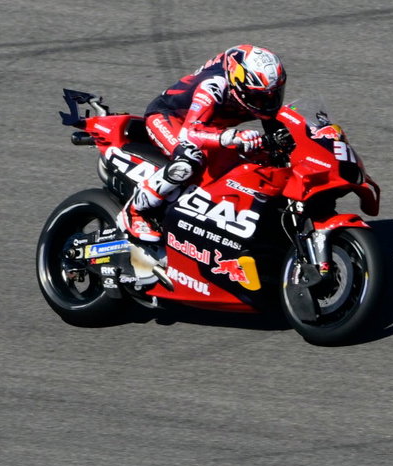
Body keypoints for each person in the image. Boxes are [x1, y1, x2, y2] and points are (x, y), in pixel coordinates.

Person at [117, 44, 287, 285]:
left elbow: (282, 134)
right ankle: (134, 212)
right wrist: (233, 138)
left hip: (208, 127)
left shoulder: (260, 92)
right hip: (170, 118)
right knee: (190, 159)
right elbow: (191, 133)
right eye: (259, 96)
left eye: (273, 94)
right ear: (238, 82)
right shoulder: (214, 86)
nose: (267, 102)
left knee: (267, 161)